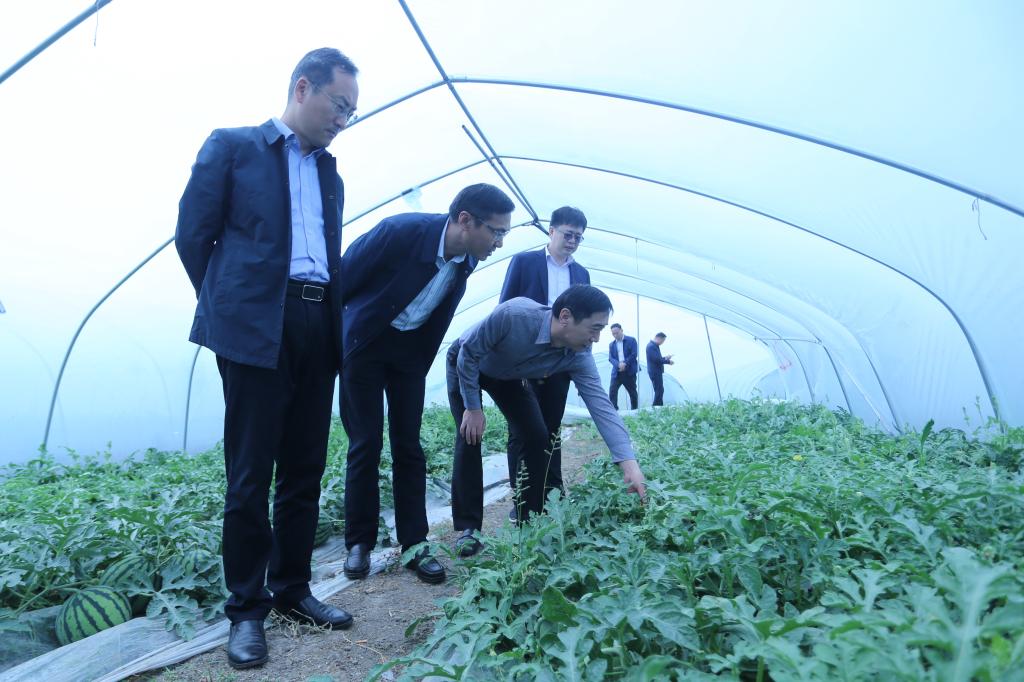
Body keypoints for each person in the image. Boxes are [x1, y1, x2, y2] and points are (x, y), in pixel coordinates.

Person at [175, 48, 359, 670]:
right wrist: (235, 306)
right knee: (250, 473)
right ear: (303, 88)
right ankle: (247, 609)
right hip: (258, 327)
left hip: (317, 321)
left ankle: (292, 589)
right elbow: (193, 237)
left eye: (351, 112)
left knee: (305, 467)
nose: (343, 120)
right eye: (339, 105)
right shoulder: (233, 147)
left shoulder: (330, 173)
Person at [340, 184, 515, 586]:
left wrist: (418, 359)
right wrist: (341, 345)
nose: (499, 242)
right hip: (365, 347)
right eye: (496, 232)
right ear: (465, 220)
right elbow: (342, 283)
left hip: (409, 355)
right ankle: (359, 542)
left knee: (409, 447)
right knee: (365, 443)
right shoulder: (399, 233)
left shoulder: (466, 262)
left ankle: (415, 544)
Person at [448, 285, 647, 557]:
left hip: (507, 376)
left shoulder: (578, 356)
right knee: (470, 435)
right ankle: (469, 528)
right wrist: (473, 408)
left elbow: (602, 407)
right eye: (594, 328)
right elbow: (468, 353)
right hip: (467, 362)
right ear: (565, 316)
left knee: (537, 436)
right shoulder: (514, 315)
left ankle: (530, 520)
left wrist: (629, 464)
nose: (597, 338)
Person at [497, 206, 589, 520]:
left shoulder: (581, 274)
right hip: (524, 358)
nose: (572, 241)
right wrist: (509, 359)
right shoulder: (525, 263)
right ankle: (522, 496)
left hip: (560, 360)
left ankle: (553, 492)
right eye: (568, 234)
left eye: (578, 237)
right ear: (551, 231)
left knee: (551, 427)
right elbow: (505, 308)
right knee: (521, 429)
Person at [607, 324, 639, 410]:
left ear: (621, 330)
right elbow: (610, 358)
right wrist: (618, 364)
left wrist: (624, 363)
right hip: (617, 372)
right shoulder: (611, 344)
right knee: (612, 391)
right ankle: (614, 410)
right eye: (613, 334)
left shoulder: (631, 340)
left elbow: (634, 354)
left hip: (629, 372)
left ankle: (634, 410)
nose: (615, 335)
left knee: (632, 392)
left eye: (617, 333)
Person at [646, 332, 674, 407]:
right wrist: (668, 361)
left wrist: (665, 358)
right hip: (655, 371)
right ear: (659, 338)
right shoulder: (651, 346)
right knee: (659, 390)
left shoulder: (654, 346)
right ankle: (656, 407)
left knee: (660, 390)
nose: (663, 342)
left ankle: (659, 406)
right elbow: (656, 360)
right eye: (663, 340)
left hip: (656, 371)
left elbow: (657, 358)